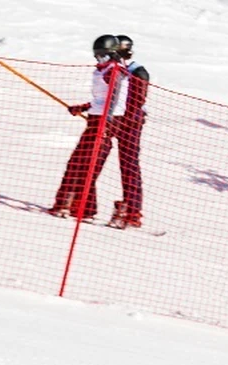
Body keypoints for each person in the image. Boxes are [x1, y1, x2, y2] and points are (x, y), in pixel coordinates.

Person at [49, 34, 128, 220]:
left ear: (112, 53)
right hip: (96, 118)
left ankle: (82, 207)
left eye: (103, 55)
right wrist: (83, 108)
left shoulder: (114, 71)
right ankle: (69, 204)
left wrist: (106, 122)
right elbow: (100, 99)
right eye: (97, 55)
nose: (99, 59)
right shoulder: (103, 70)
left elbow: (114, 98)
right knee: (77, 163)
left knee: (88, 165)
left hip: (107, 122)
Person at [109, 34, 150, 229]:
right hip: (116, 120)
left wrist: (123, 121)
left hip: (130, 123)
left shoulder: (138, 72)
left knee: (129, 165)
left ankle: (133, 210)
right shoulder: (118, 70)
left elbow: (137, 102)